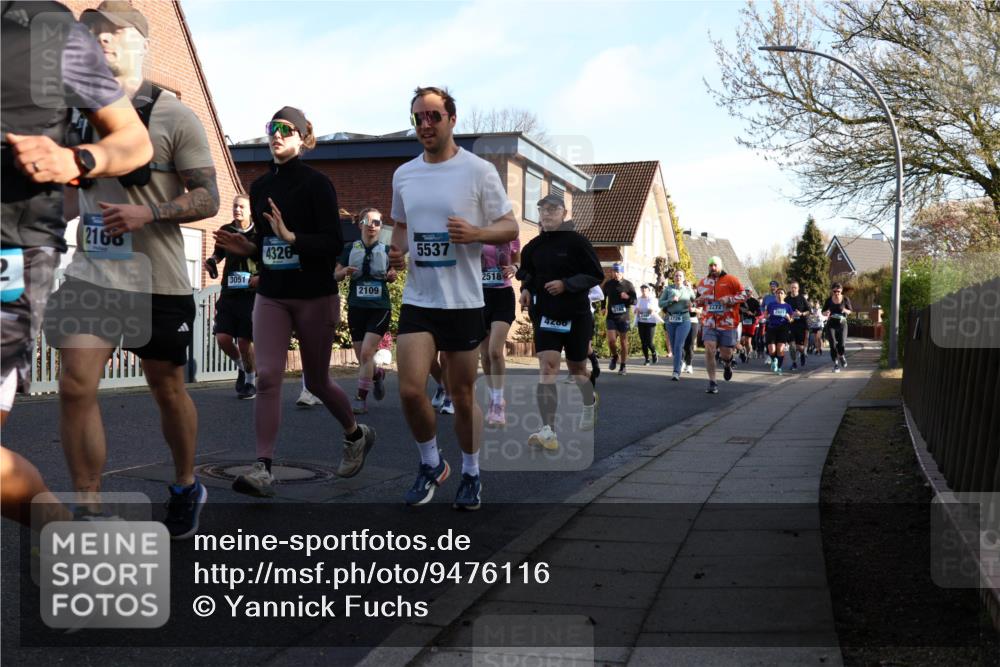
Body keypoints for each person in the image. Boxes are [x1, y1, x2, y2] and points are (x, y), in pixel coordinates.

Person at [44, 1, 217, 539]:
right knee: (75, 384)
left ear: (141, 42)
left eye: (114, 32)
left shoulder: (174, 114)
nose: (100, 39)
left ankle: (187, 484)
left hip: (157, 278)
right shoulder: (77, 114)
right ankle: (89, 508)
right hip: (93, 274)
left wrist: (152, 211)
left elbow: (210, 195)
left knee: (166, 387)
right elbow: (73, 195)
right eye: (92, 31)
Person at [1, 0, 152, 527]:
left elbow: (134, 142)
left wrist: (76, 160)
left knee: (94, 383)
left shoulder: (49, 28)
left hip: (12, 252)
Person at [214, 106, 375, 495]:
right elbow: (264, 243)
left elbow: (335, 243)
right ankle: (262, 468)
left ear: (303, 137)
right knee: (268, 377)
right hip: (271, 295)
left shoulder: (318, 184)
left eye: (287, 129)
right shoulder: (260, 187)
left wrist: (293, 239)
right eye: (272, 128)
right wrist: (248, 245)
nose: (277, 134)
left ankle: (355, 434)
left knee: (317, 381)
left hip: (314, 295)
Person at [389, 86, 518, 511]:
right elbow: (402, 226)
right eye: (418, 118)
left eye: (433, 117)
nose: (425, 125)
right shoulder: (404, 174)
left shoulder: (479, 172)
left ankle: (471, 472)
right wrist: (398, 249)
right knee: (410, 390)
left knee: (462, 397)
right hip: (419, 299)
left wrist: (478, 234)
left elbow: (510, 226)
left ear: (452, 119)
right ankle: (431, 463)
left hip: (463, 302)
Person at [517, 194, 603, 449]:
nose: (547, 214)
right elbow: (528, 274)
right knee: (548, 368)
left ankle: (590, 402)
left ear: (564, 213)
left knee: (577, 370)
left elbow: (595, 274)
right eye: (542, 209)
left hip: (576, 315)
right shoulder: (532, 246)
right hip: (546, 315)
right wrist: (525, 289)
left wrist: (567, 284)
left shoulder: (578, 242)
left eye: (553, 209)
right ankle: (548, 431)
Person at [334, 207, 396, 415]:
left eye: (377, 223)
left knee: (368, 352)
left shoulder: (386, 250)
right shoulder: (350, 248)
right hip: (356, 307)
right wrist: (343, 271)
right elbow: (336, 275)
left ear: (380, 227)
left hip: (379, 308)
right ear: (360, 224)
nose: (372, 226)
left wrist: (392, 275)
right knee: (363, 357)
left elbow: (396, 269)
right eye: (368, 222)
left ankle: (360, 398)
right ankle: (377, 375)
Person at [206, 193, 258, 399]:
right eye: (235, 206)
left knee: (245, 343)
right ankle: (243, 368)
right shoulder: (226, 230)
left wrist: (261, 276)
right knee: (223, 339)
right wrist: (211, 261)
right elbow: (218, 253)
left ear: (250, 210)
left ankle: (251, 382)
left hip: (250, 294)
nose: (237, 210)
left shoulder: (259, 232)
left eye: (242, 207)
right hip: (229, 292)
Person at [479, 232, 520, 426]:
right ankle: (494, 398)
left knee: (495, 351)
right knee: (485, 355)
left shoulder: (510, 233)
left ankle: (498, 403)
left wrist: (514, 267)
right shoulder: (475, 231)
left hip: (503, 295)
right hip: (479, 296)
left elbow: (519, 263)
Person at [695, 256, 745, 394]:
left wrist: (730, 299)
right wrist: (698, 301)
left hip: (727, 324)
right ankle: (712, 382)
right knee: (709, 349)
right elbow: (697, 301)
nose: (713, 268)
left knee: (726, 353)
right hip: (709, 322)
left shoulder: (731, 280)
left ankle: (727, 364)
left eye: (715, 265)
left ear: (720, 266)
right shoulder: (703, 282)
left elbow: (746, 294)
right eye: (711, 265)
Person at [660, 269, 696, 381]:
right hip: (671, 320)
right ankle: (680, 362)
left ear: (684, 278)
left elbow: (695, 301)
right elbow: (660, 303)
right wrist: (670, 300)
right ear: (673, 278)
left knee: (678, 345)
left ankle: (676, 371)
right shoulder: (668, 289)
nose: (678, 277)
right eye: (676, 276)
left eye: (680, 276)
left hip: (684, 320)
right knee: (675, 348)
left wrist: (692, 304)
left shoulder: (688, 290)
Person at [603, 263, 636, 375]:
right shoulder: (608, 284)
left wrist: (628, 297)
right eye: (615, 272)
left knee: (623, 342)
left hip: (623, 317)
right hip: (611, 316)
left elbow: (635, 301)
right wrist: (603, 307)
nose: (617, 274)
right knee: (611, 340)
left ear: (622, 273)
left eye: (619, 272)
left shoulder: (628, 285)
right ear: (612, 272)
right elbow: (603, 296)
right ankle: (615, 356)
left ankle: (623, 366)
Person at [822, 283, 853, 372]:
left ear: (841, 291)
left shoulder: (845, 299)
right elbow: (823, 311)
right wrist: (826, 313)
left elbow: (850, 311)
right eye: (835, 291)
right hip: (831, 324)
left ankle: (842, 356)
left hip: (842, 324)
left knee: (842, 344)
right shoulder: (829, 300)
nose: (836, 293)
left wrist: (845, 310)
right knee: (832, 345)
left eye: (838, 291)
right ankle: (836, 365)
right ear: (832, 291)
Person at [764, 287, 795, 375]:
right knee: (772, 350)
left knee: (780, 349)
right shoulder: (771, 304)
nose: (779, 294)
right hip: (772, 328)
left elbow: (792, 319)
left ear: (784, 295)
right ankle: (774, 361)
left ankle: (779, 368)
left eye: (781, 293)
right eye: (778, 293)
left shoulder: (787, 306)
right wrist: (766, 316)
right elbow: (765, 314)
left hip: (783, 328)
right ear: (776, 295)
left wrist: (789, 318)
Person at [785, 281, 811, 370]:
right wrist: (788, 316)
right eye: (792, 287)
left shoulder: (802, 298)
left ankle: (803, 353)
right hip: (790, 325)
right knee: (792, 346)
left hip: (801, 325)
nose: (793, 289)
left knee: (800, 347)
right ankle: (794, 363)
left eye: (795, 287)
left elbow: (809, 311)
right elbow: (784, 310)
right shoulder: (787, 299)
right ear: (790, 288)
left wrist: (801, 314)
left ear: (798, 289)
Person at [635, 284, 662, 365]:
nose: (644, 291)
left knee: (649, 341)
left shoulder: (653, 299)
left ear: (649, 291)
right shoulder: (638, 299)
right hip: (641, 322)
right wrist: (636, 310)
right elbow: (635, 309)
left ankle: (654, 352)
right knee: (643, 342)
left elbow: (658, 309)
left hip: (650, 322)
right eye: (642, 289)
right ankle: (646, 359)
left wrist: (653, 310)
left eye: (645, 289)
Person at [737, 288, 761, 363]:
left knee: (748, 340)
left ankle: (748, 354)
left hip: (751, 322)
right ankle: (743, 350)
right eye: (746, 291)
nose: (747, 293)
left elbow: (759, 313)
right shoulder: (741, 301)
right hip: (742, 321)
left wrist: (753, 314)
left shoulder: (755, 301)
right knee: (742, 340)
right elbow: (738, 310)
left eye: (748, 291)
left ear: (751, 292)